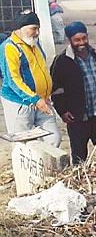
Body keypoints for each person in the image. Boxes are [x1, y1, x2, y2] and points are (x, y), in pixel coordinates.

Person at [50, 22, 96, 164]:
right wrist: (63, 111)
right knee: (79, 158)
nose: (82, 43)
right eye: (77, 40)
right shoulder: (62, 61)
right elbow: (56, 90)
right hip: (77, 118)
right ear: (70, 40)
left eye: (84, 38)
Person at [0, 11, 61, 147]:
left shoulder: (34, 43)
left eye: (38, 29)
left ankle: (47, 168)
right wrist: (34, 99)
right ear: (20, 29)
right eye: (33, 29)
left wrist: (45, 94)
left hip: (42, 101)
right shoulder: (9, 47)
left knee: (53, 138)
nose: (37, 32)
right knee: (23, 144)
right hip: (19, 104)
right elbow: (13, 80)